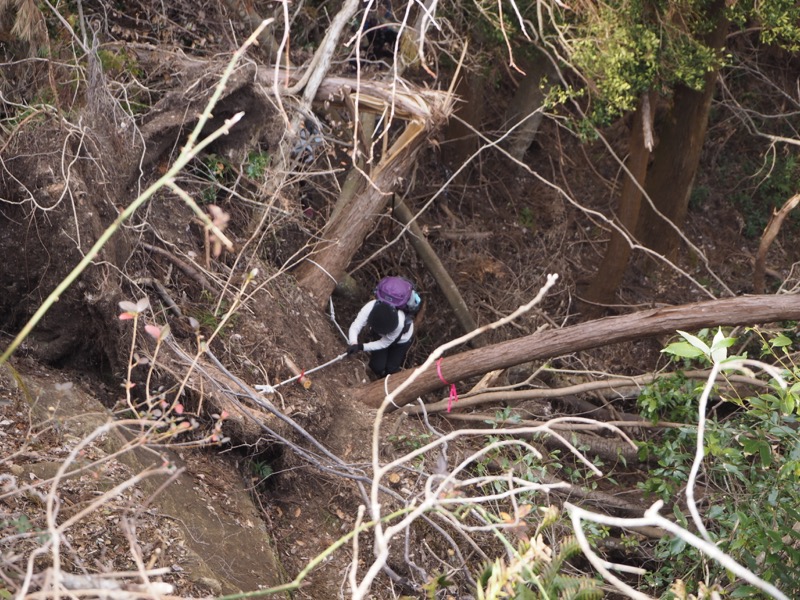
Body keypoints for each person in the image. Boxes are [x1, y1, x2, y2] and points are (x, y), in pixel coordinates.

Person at [347, 297, 415, 378]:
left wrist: (361, 346)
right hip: (380, 336)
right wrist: (353, 342)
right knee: (377, 367)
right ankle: (377, 375)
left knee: (391, 369)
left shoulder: (399, 323)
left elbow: (384, 343)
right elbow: (356, 325)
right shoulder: (370, 307)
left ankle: (387, 381)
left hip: (402, 340)